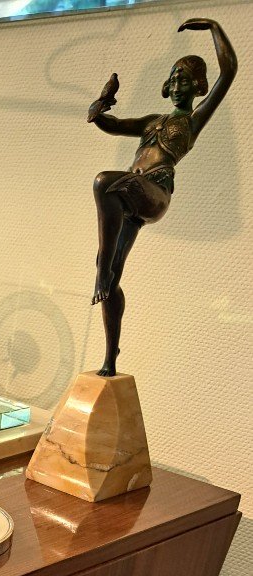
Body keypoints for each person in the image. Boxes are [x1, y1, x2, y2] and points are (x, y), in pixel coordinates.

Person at [89, 18, 237, 376]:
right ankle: (110, 358)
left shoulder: (193, 120)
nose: (177, 85)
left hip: (154, 192)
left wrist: (213, 26)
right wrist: (101, 104)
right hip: (130, 198)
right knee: (112, 279)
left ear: (198, 86)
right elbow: (111, 124)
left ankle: (102, 274)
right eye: (173, 79)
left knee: (104, 181)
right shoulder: (152, 121)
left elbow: (229, 70)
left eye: (184, 79)